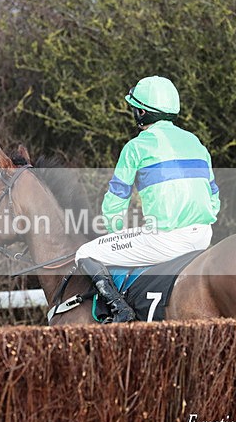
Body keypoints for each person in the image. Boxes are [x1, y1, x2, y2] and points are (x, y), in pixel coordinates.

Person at [75, 75, 220, 322]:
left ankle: (120, 310)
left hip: (167, 240)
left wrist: (115, 231)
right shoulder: (195, 142)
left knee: (85, 253)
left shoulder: (135, 147)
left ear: (141, 112)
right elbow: (214, 197)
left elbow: (116, 202)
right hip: (203, 235)